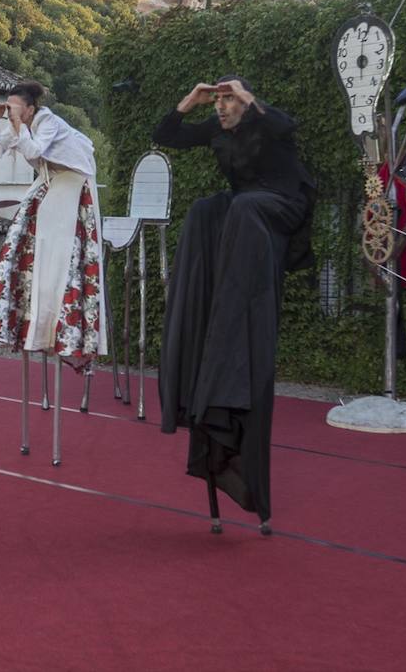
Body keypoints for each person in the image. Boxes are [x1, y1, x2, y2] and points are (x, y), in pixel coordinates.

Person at [153, 76, 315, 534]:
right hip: (245, 206)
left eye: (228, 101)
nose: (222, 108)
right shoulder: (216, 129)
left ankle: (235, 290)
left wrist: (249, 97)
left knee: (242, 209)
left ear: (242, 102)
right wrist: (188, 102)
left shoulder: (264, 123)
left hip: (282, 206)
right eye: (219, 101)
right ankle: (213, 288)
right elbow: (166, 137)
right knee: (206, 208)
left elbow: (288, 126)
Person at [0, 81, 108, 465]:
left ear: (32, 108)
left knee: (58, 257)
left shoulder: (48, 122)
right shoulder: (22, 123)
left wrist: (18, 125)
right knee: (22, 241)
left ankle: (58, 325)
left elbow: (33, 150)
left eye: (18, 107)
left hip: (70, 185)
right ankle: (26, 318)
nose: (13, 111)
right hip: (47, 186)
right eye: (11, 106)